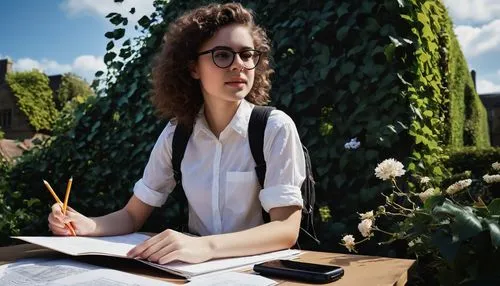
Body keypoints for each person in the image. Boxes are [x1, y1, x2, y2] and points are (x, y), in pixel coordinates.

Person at [48, 2, 306, 265]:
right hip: (195, 274)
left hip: (262, 274)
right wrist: (85, 225)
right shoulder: (177, 135)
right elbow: (132, 216)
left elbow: (285, 229)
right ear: (193, 68)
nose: (239, 65)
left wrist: (205, 246)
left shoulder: (274, 128)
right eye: (223, 54)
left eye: (247, 54)